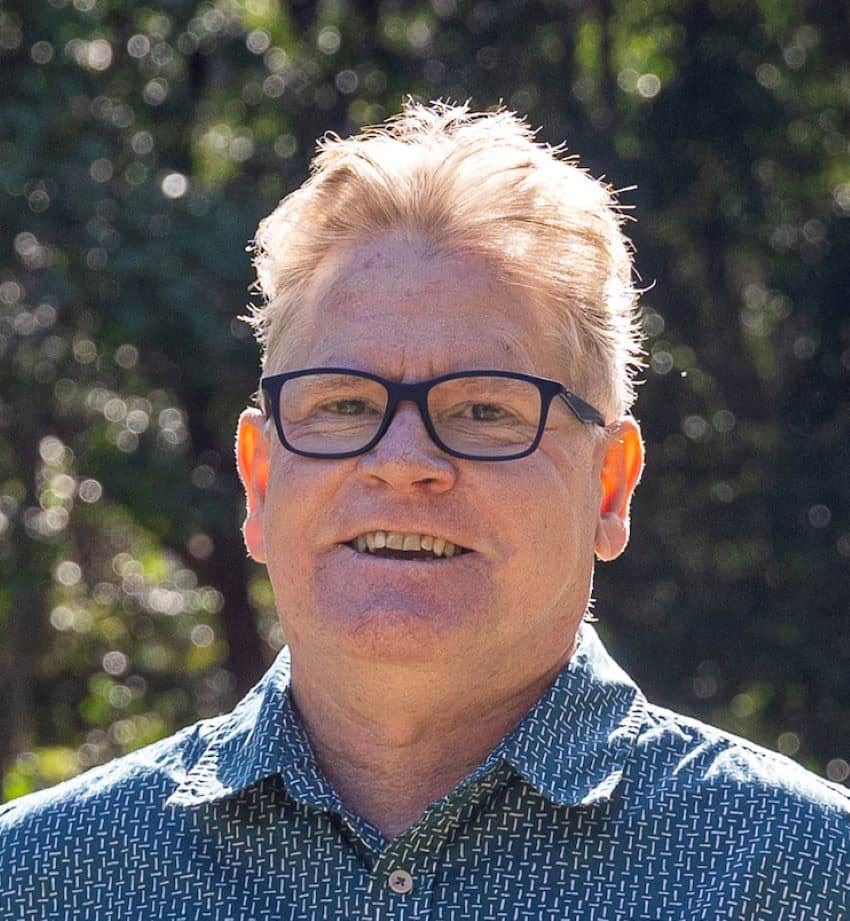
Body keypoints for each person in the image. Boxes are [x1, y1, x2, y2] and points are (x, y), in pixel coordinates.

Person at [1, 100, 847, 920]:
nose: (403, 464)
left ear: (611, 485)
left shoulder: (802, 877)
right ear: (259, 480)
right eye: (342, 406)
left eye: (485, 410)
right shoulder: (43, 881)